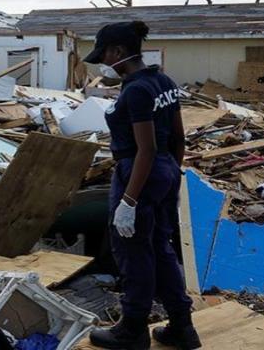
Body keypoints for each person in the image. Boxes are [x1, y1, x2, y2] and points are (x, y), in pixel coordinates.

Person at [84, 21, 201, 350]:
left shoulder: (135, 90)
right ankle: (182, 325)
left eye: (105, 54)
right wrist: (171, 177)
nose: (104, 62)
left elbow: (145, 149)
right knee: (161, 249)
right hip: (164, 170)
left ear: (119, 51)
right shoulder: (162, 81)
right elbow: (178, 138)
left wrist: (129, 201)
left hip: (139, 171)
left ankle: (132, 330)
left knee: (134, 253)